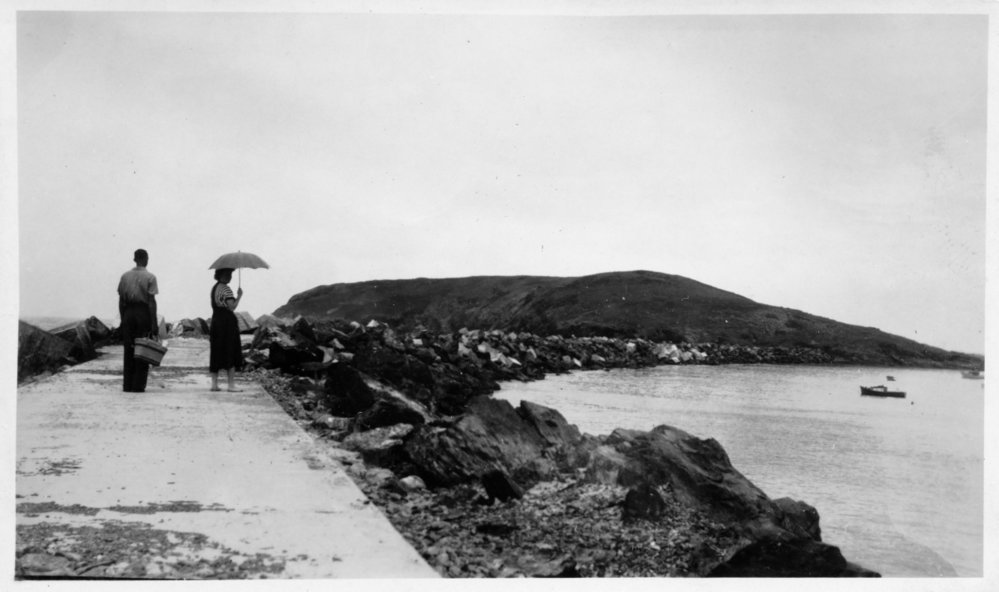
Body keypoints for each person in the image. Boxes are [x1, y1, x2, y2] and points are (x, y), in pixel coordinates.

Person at [117, 248, 159, 393]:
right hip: (143, 313)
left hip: (128, 312)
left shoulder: (124, 276)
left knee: (128, 348)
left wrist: (123, 320)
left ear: (134, 259)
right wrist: (154, 323)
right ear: (146, 259)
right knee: (143, 349)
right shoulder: (150, 277)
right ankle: (138, 385)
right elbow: (151, 302)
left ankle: (127, 385)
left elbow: (121, 300)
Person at [209, 268, 244, 392]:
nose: (230, 276)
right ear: (220, 275)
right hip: (227, 323)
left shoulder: (215, 288)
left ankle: (214, 384)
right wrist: (239, 296)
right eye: (227, 274)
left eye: (231, 274)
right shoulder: (226, 288)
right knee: (231, 350)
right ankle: (231, 385)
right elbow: (232, 307)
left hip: (216, 321)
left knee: (216, 351)